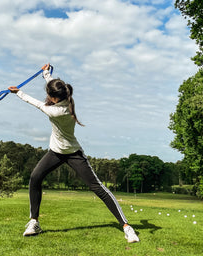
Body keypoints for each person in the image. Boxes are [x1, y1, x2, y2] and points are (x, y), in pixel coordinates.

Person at [8, 64, 139, 243]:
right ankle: (34, 222)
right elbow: (55, 86)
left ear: (55, 98)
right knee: (35, 177)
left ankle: (127, 227)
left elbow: (36, 103)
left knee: (97, 187)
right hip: (55, 151)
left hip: (72, 152)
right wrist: (46, 74)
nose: (47, 97)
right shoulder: (66, 96)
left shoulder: (56, 111)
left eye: (49, 95)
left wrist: (18, 93)